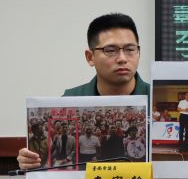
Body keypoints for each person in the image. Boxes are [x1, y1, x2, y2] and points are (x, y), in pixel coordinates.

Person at [16, 13, 150, 170]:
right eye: (110, 50)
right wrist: (29, 161)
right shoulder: (70, 99)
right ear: (90, 57)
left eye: (130, 49)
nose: (122, 58)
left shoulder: (153, 96)